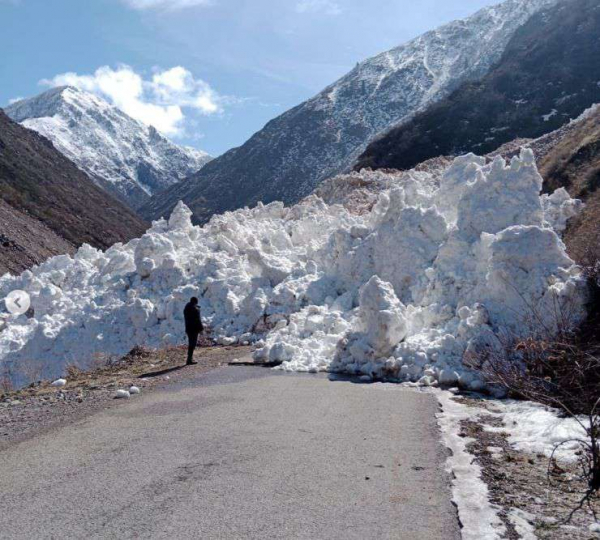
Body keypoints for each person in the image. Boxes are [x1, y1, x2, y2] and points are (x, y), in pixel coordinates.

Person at [183, 297, 204, 365]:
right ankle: (189, 359)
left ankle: (189, 358)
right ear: (195, 302)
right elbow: (198, 320)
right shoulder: (195, 310)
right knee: (193, 344)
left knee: (190, 343)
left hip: (188, 329)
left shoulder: (186, 308)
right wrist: (201, 329)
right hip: (194, 329)